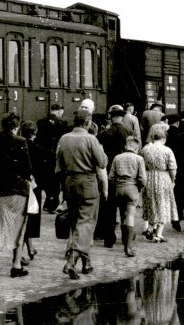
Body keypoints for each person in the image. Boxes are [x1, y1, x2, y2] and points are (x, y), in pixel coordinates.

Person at [56, 110, 108, 280]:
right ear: (88, 122)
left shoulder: (64, 138)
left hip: (69, 182)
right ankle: (71, 261)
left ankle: (86, 263)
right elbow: (102, 162)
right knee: (86, 223)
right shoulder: (91, 139)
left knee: (76, 222)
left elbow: (59, 166)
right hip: (87, 182)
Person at [0, 112, 32, 283]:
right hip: (16, 192)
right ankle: (16, 265)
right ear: (17, 127)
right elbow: (27, 169)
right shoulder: (21, 142)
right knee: (18, 228)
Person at [94, 105, 132, 248]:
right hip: (126, 174)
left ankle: (108, 237)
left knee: (109, 208)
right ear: (122, 117)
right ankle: (125, 237)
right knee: (125, 208)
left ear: (111, 117)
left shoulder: (104, 134)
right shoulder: (129, 132)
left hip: (109, 173)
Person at [110, 136, 147, 256]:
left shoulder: (117, 157)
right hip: (132, 188)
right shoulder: (139, 159)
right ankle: (129, 247)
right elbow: (143, 178)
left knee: (122, 216)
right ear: (136, 148)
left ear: (126, 146)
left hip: (119, 189)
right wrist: (139, 188)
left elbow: (111, 177)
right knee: (130, 216)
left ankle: (124, 239)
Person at [140, 126, 178, 242]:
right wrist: (172, 180)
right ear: (163, 138)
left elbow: (141, 164)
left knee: (150, 203)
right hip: (163, 177)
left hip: (149, 177)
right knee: (163, 204)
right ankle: (158, 235)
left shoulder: (145, 149)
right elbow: (172, 168)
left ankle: (151, 228)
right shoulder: (167, 150)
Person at [35, 103, 68, 212]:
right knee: (56, 180)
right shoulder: (63, 123)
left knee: (48, 180)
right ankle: (52, 203)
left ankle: (50, 201)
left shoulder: (41, 122)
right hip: (57, 156)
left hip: (44, 156)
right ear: (59, 111)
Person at [19, 120, 42, 264]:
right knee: (31, 218)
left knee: (22, 218)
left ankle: (29, 247)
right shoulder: (38, 149)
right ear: (35, 132)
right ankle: (23, 252)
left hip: (21, 186)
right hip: (34, 187)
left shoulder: (19, 146)